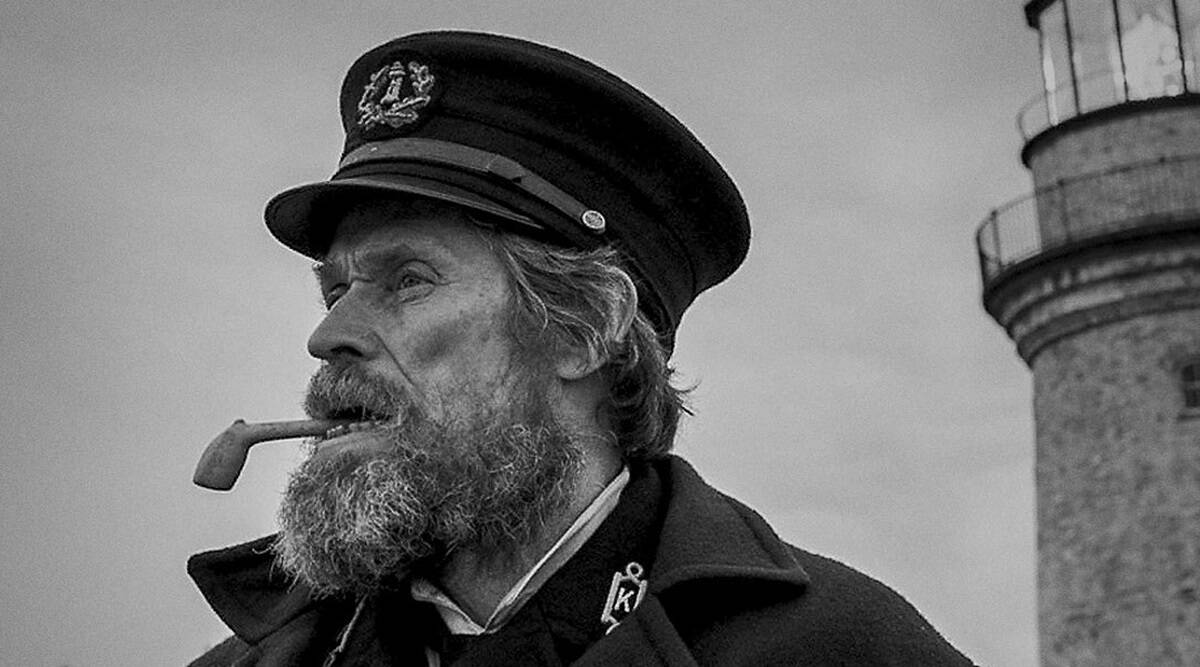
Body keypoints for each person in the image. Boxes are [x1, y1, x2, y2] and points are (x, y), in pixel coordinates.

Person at [188, 31, 975, 666]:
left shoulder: (841, 648)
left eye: (408, 280)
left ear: (584, 330)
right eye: (336, 290)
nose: (327, 336)